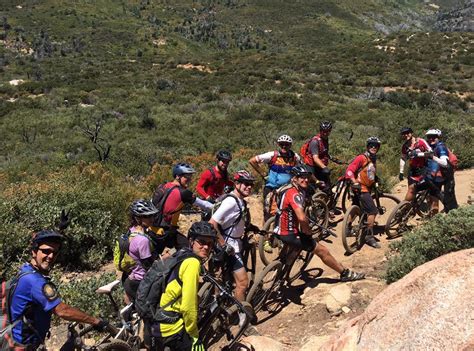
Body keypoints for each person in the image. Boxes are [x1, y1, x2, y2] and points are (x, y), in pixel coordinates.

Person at [9, 230, 107, 348]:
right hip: (25, 346)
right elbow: (62, 310)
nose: (50, 256)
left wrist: (61, 230)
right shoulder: (35, 281)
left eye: (54, 252)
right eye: (46, 251)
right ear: (34, 252)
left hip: (18, 342)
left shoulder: (25, 270)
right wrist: (95, 321)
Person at [274, 165, 365, 281]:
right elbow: (302, 218)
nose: (306, 180)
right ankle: (345, 273)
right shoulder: (295, 194)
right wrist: (308, 232)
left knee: (294, 246)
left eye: (307, 177)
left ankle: (279, 272)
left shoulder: (287, 189)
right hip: (289, 233)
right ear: (294, 179)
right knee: (322, 251)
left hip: (278, 228)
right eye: (301, 177)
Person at [150, 221, 216, 351]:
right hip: (170, 326)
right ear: (191, 241)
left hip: (158, 317)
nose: (206, 247)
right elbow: (188, 307)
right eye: (201, 242)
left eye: (210, 243)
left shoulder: (182, 253)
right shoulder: (192, 263)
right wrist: (194, 335)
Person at [209, 170, 258, 303]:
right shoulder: (231, 202)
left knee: (225, 280)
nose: (248, 187)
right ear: (236, 184)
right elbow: (212, 223)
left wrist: (251, 227)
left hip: (233, 244)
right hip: (229, 247)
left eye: (251, 184)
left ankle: (222, 304)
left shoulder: (239, 200)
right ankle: (242, 315)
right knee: (242, 283)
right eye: (245, 184)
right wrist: (224, 245)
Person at [152, 163, 213, 254]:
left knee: (159, 254)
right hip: (167, 231)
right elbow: (204, 205)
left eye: (190, 177)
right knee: (187, 249)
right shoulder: (184, 193)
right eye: (187, 177)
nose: (190, 180)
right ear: (177, 176)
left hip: (153, 228)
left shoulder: (163, 186)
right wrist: (218, 206)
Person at [249, 134, 301, 222]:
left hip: (287, 189)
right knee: (268, 211)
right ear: (278, 144)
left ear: (290, 145)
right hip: (271, 188)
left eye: (287, 144)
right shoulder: (273, 155)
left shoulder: (295, 157)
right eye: (282, 144)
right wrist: (263, 174)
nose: (284, 146)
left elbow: (300, 169)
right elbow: (252, 161)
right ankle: (267, 232)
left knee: (289, 211)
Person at [345, 137, 382, 249]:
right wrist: (353, 181)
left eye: (376, 146)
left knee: (356, 208)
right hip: (361, 188)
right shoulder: (362, 157)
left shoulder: (373, 158)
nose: (373, 147)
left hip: (364, 187)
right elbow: (349, 170)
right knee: (373, 211)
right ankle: (368, 236)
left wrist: (376, 179)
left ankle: (347, 229)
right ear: (367, 146)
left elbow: (369, 172)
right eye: (371, 145)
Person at [122, 199, 162, 302]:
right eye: (147, 216)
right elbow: (148, 266)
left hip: (130, 278)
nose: (152, 218)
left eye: (152, 215)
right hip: (140, 282)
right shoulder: (142, 240)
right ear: (137, 218)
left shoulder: (131, 231)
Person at [425, 129, 458, 213]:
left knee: (449, 200)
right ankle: (436, 216)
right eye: (429, 137)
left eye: (434, 137)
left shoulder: (440, 147)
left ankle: (453, 214)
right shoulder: (430, 146)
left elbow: (445, 163)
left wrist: (433, 157)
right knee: (434, 195)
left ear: (438, 137)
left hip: (446, 175)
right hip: (437, 175)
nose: (431, 139)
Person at [301, 121, 338, 194]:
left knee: (327, 188)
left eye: (327, 131)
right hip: (311, 166)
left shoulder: (325, 139)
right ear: (320, 130)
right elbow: (315, 158)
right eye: (323, 131)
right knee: (311, 188)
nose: (325, 133)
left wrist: (331, 157)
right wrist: (324, 167)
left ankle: (325, 202)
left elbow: (323, 152)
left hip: (319, 166)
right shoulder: (315, 141)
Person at [398, 127, 433, 202]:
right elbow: (403, 158)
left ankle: (429, 208)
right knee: (411, 190)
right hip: (412, 170)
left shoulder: (420, 141)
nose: (406, 135)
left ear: (411, 133)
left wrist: (419, 154)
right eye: (403, 134)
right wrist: (401, 172)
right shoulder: (405, 146)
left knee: (425, 190)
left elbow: (431, 152)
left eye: (407, 133)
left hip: (423, 169)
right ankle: (412, 207)